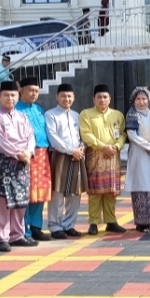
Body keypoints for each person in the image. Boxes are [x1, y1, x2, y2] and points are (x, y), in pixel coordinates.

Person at [0, 81, 38, 252]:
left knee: (21, 200)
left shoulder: (22, 117)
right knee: (2, 201)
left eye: (13, 95)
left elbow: (30, 137)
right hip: (4, 163)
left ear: (18, 96)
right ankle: (2, 237)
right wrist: (20, 153)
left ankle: (17, 234)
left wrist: (29, 152)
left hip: (22, 162)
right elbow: (0, 142)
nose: (10, 98)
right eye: (6, 95)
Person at [80, 84, 127, 234]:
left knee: (110, 191)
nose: (102, 100)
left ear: (110, 99)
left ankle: (111, 221)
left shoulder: (117, 115)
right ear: (93, 99)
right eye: (99, 97)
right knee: (95, 192)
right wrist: (102, 147)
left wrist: (117, 146)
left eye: (105, 97)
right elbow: (86, 134)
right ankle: (93, 223)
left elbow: (122, 134)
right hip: (95, 156)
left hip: (113, 156)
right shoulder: (86, 114)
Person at [45, 84, 87, 239]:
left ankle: (69, 225)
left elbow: (82, 136)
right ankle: (55, 226)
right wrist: (71, 151)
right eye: (63, 96)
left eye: (69, 96)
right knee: (57, 192)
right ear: (57, 97)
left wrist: (81, 148)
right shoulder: (51, 115)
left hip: (77, 156)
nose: (66, 99)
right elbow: (53, 138)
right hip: (59, 156)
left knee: (75, 193)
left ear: (74, 97)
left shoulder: (77, 115)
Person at [16, 78, 52, 241]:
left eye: (36, 91)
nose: (34, 94)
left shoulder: (39, 109)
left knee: (41, 192)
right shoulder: (15, 110)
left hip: (43, 155)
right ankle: (24, 228)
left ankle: (36, 226)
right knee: (26, 192)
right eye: (30, 90)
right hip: (26, 155)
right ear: (21, 90)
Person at [125, 87, 150, 233]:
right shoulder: (132, 115)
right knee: (140, 187)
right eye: (138, 99)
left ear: (149, 100)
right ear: (133, 101)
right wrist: (148, 146)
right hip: (139, 155)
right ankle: (141, 222)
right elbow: (132, 135)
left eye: (144, 99)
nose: (141, 102)